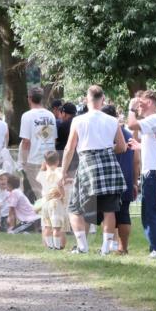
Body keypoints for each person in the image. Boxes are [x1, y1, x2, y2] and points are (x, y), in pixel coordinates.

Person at [61, 85, 127, 255]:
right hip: (109, 164)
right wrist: (106, 151)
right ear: (102, 99)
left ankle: (82, 247)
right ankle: (105, 249)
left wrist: (63, 171)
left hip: (87, 163)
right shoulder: (113, 120)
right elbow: (122, 147)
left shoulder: (78, 120)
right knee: (109, 210)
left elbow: (69, 148)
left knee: (75, 208)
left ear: (86, 100)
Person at [126, 90, 156, 259]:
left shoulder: (155, 118)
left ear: (150, 103)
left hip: (153, 173)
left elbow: (131, 125)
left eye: (141, 103)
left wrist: (130, 108)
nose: (138, 106)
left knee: (151, 212)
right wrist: (140, 147)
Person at [104, 104, 140, 254]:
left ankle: (108, 246)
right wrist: (135, 182)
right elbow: (136, 160)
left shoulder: (105, 134)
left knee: (108, 212)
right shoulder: (128, 135)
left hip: (109, 178)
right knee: (124, 212)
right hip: (126, 178)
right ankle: (123, 248)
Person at [18, 86, 57, 203]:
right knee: (48, 191)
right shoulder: (50, 115)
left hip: (33, 160)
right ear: (42, 98)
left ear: (29, 98)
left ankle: (42, 214)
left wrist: (24, 161)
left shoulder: (27, 116)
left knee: (38, 194)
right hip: (49, 158)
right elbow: (53, 138)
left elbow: (26, 141)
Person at [36, 150, 68, 250]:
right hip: (56, 202)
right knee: (57, 227)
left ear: (45, 162)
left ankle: (50, 246)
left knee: (47, 226)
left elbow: (38, 178)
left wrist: (43, 167)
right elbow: (61, 184)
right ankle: (57, 246)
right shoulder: (60, 172)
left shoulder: (42, 174)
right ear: (58, 161)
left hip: (45, 203)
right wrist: (62, 194)